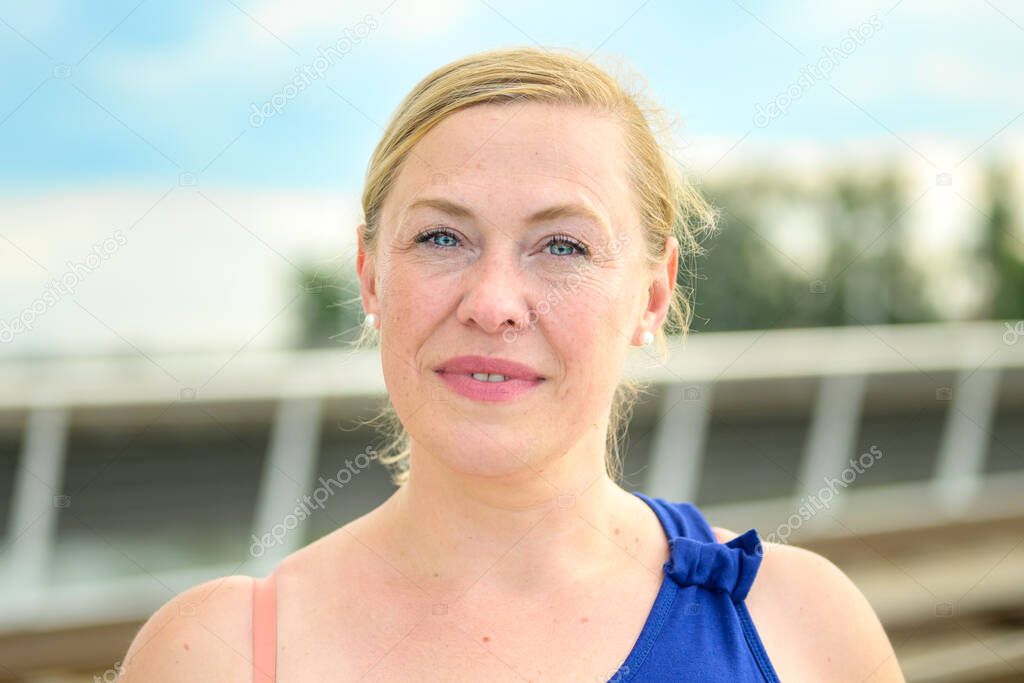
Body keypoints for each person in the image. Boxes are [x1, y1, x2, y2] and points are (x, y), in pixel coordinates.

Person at [120, 46, 904, 682]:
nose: (493, 302)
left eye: (563, 245)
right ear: (369, 275)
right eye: (441, 238)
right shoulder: (218, 655)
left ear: (652, 294)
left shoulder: (802, 628)